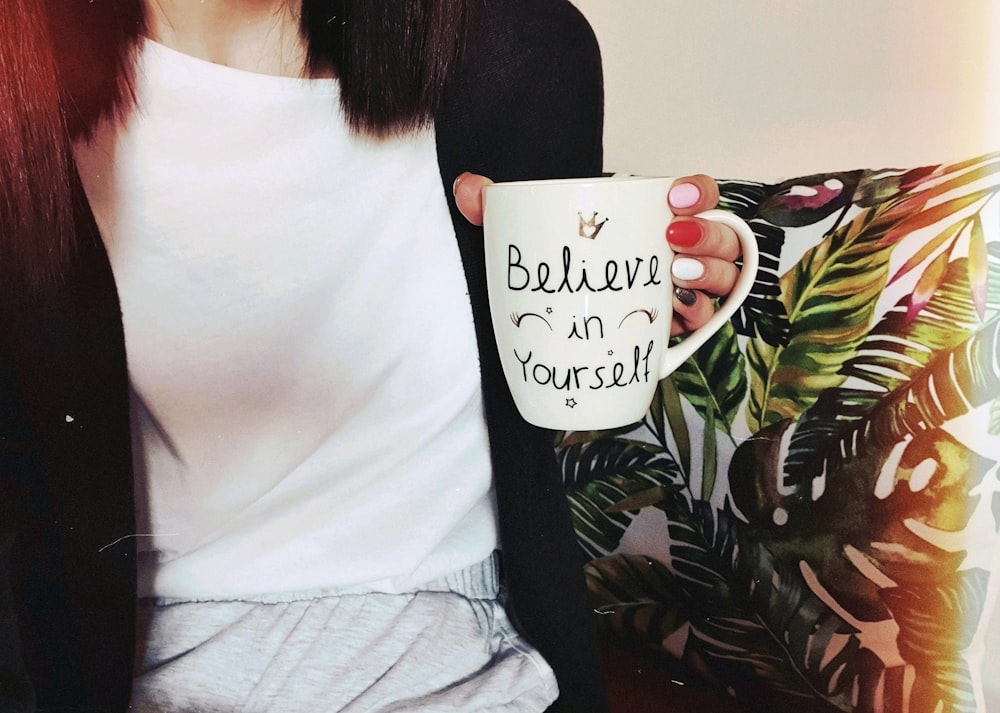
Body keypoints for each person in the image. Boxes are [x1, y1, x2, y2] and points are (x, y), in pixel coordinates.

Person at [0, 0, 743, 711]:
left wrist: (633, 311)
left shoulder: (522, 57)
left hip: (469, 671)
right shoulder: (23, 107)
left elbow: (537, 401)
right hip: (131, 676)